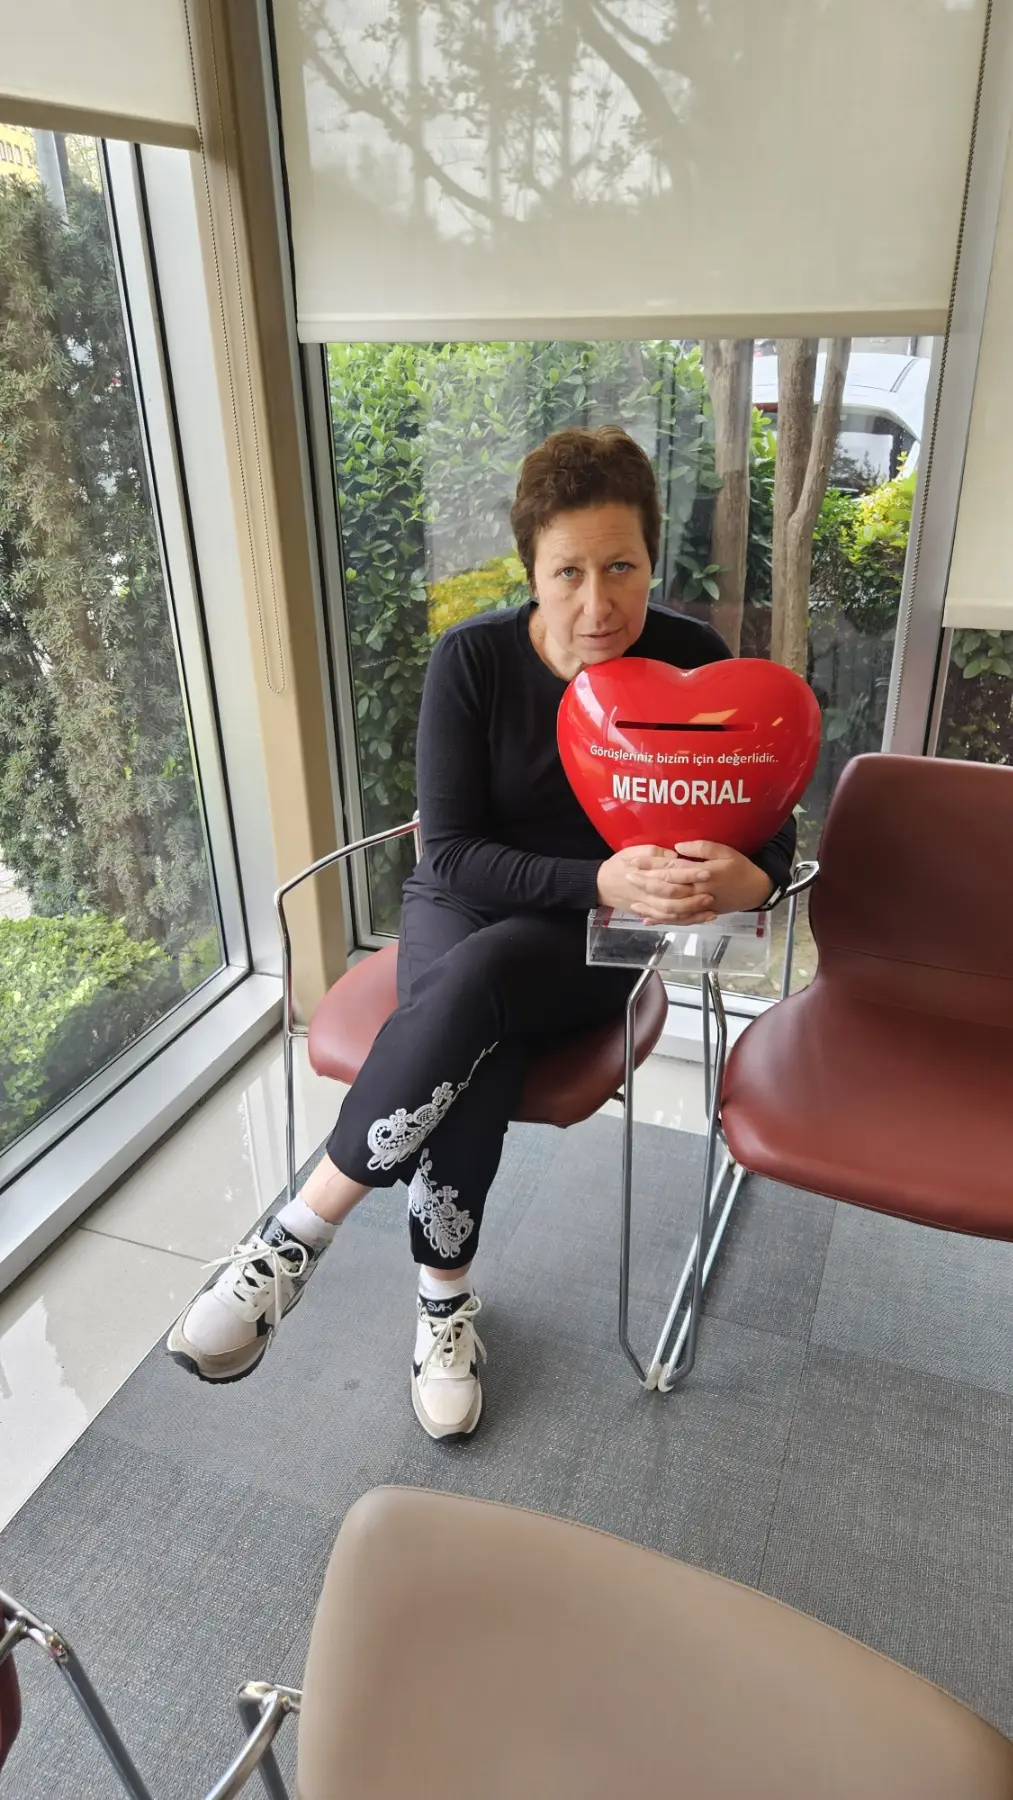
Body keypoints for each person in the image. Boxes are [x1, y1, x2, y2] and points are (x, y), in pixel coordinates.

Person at [167, 427, 796, 1439]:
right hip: (471, 901)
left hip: (603, 932)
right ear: (530, 572)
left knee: (484, 979)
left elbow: (767, 829)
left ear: (652, 557)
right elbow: (451, 852)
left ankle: (292, 1236)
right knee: (479, 1022)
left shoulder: (692, 660)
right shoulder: (472, 660)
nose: (598, 604)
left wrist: (744, 872)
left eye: (622, 567)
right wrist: (592, 870)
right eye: (568, 573)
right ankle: (438, 1303)